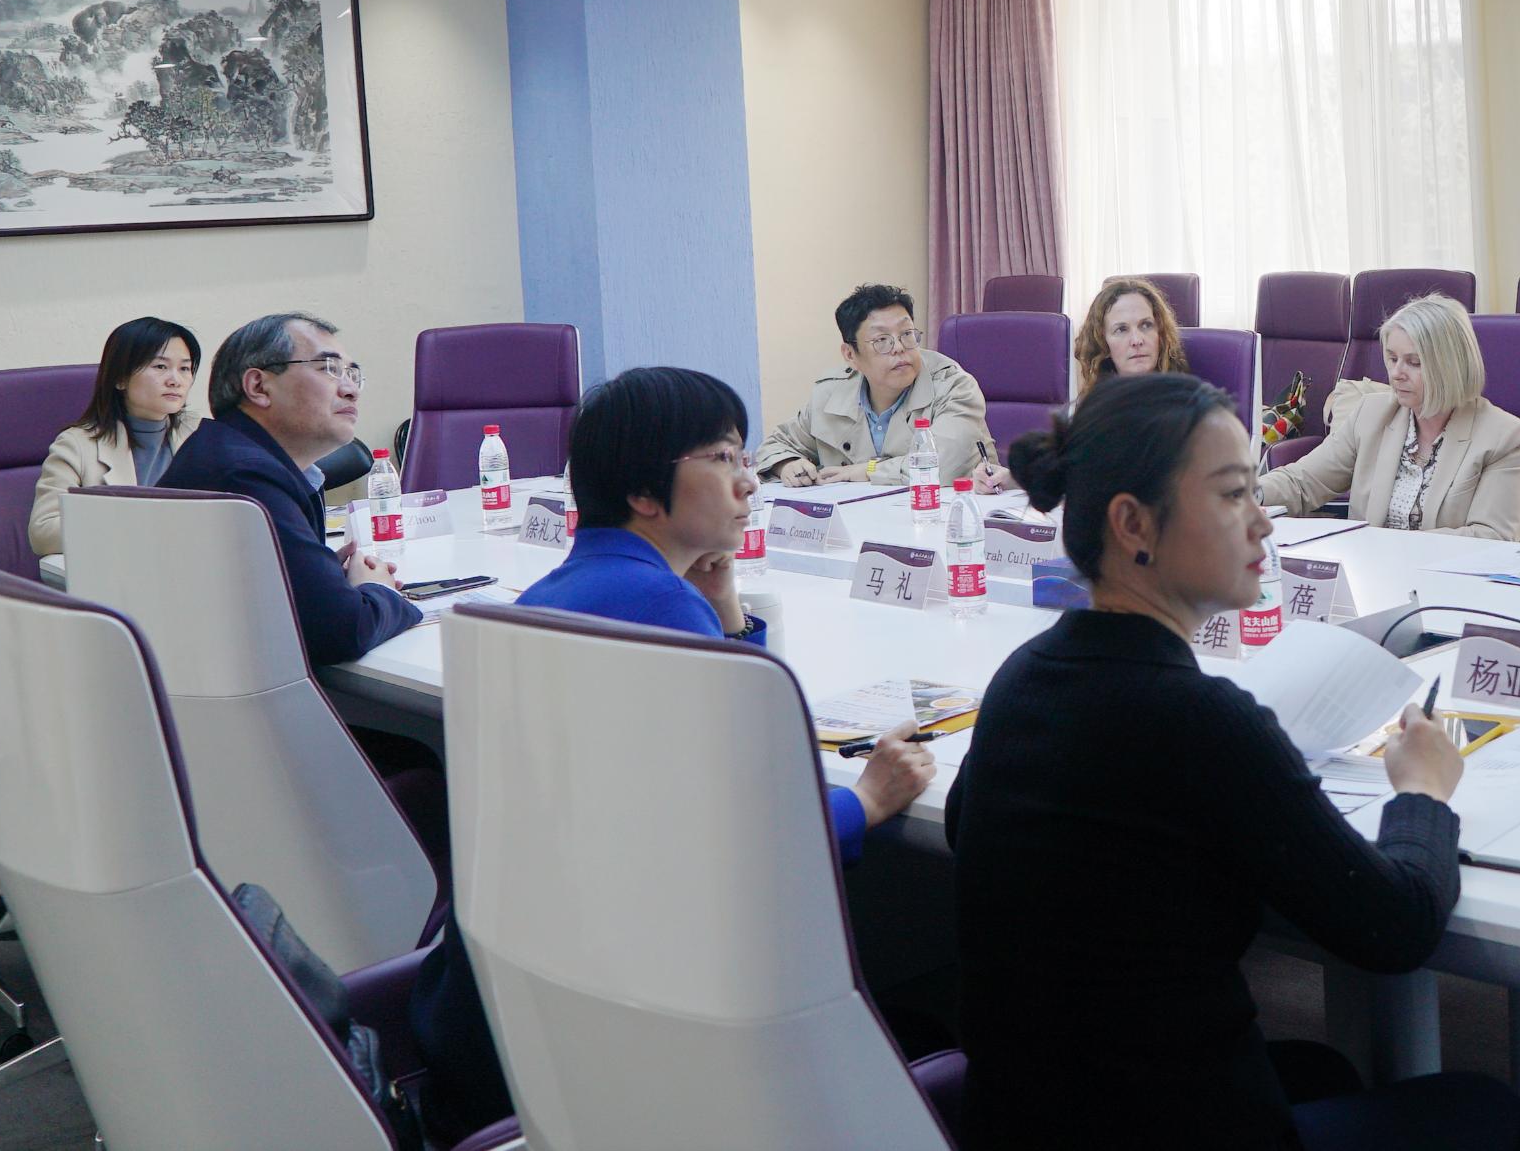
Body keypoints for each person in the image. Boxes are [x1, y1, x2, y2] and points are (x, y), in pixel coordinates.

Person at [949, 373, 1520, 1151]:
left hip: (1037, 1117)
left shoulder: (1020, 678)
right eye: (1233, 495)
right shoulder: (1199, 718)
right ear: (1133, 523)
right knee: (1486, 1110)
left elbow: (968, 825)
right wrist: (1423, 793)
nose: (1263, 522)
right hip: (1167, 1126)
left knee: (1320, 1070)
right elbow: (1395, 928)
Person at [409, 365, 934, 1147]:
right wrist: (865, 799)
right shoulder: (655, 604)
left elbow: (726, 746)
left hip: (509, 1020)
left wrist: (724, 613)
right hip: (637, 1035)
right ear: (644, 493)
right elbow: (743, 830)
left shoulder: (564, 590)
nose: (748, 480)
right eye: (721, 458)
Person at [160, 312, 416, 668]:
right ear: (259, 387)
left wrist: (323, 575)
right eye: (328, 369)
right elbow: (342, 632)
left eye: (353, 374)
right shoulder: (246, 474)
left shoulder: (227, 452)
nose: (351, 389)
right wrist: (379, 589)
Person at [1257, 294, 1520, 539]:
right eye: (1392, 358)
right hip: (1370, 574)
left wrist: (1388, 547)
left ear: (1452, 367)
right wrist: (1247, 495)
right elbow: (1302, 482)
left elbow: (1492, 536)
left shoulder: (1505, 437)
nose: (1396, 373)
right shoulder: (1370, 413)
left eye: (1414, 362)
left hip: (1445, 578)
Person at [755, 283, 1008, 491]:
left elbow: (941, 466)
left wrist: (867, 470)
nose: (899, 347)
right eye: (882, 340)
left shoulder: (954, 387)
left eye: (907, 334)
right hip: (861, 523)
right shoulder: (831, 394)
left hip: (946, 519)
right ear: (850, 355)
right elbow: (776, 445)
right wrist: (788, 464)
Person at [27, 316, 204, 556]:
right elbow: (43, 532)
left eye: (184, 368)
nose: (176, 380)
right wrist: (134, 524)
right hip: (116, 568)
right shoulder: (77, 445)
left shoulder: (200, 434)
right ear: (120, 378)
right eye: (160, 367)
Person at [1074, 275, 1190, 397]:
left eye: (1146, 325)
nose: (1137, 340)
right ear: (1103, 343)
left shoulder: (1189, 400)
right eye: (1121, 330)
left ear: (1161, 334)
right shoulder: (1094, 405)